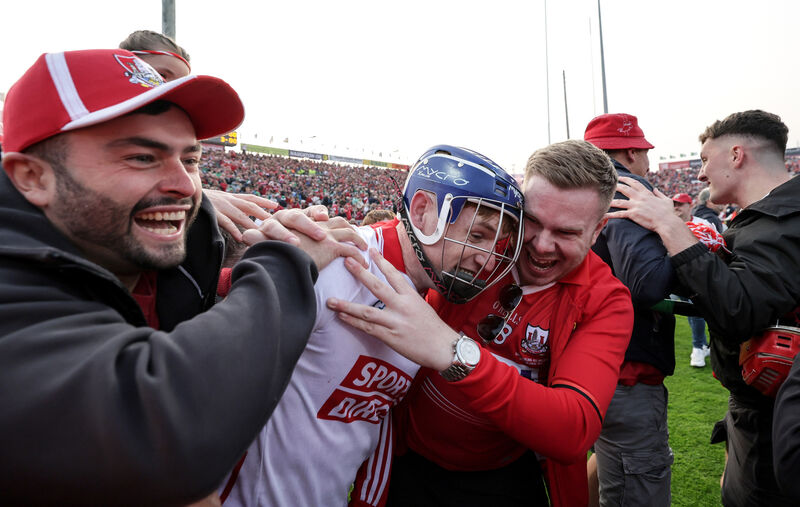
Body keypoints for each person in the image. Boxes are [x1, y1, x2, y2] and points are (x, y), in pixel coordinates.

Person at [0, 49, 363, 505]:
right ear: (32, 177)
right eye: (141, 157)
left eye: (190, 159)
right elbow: (162, 431)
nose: (188, 186)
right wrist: (286, 262)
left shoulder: (155, 244)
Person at [329, 139, 634, 507]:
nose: (540, 244)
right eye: (531, 221)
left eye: (567, 233)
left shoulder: (605, 299)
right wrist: (316, 243)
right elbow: (406, 236)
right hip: (408, 458)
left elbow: (572, 431)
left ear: (598, 230)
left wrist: (453, 351)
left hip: (501, 475)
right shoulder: (480, 247)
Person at [222, 145, 525, 506]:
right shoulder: (333, 259)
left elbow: (376, 421)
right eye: (477, 235)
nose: (486, 261)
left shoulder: (427, 307)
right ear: (423, 210)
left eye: (496, 244)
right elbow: (214, 374)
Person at [607, 110, 800, 506]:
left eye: (705, 160)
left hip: (777, 414)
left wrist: (673, 229)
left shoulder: (786, 219)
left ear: (736, 155)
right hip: (756, 406)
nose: (698, 175)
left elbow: (741, 309)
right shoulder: (767, 217)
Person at [584, 113, 676, 506]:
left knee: (607, 467)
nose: (649, 164)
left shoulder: (580, 188)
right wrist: (678, 233)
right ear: (631, 151)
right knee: (635, 487)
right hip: (628, 372)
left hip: (588, 362)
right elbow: (647, 282)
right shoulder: (628, 186)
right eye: (645, 154)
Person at [672, 192, 715, 368]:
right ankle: (703, 345)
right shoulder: (669, 224)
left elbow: (714, 246)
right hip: (676, 276)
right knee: (691, 313)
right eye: (674, 204)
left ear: (690, 205)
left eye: (680, 204)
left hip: (698, 275)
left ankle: (698, 347)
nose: (676, 208)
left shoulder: (701, 224)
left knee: (697, 310)